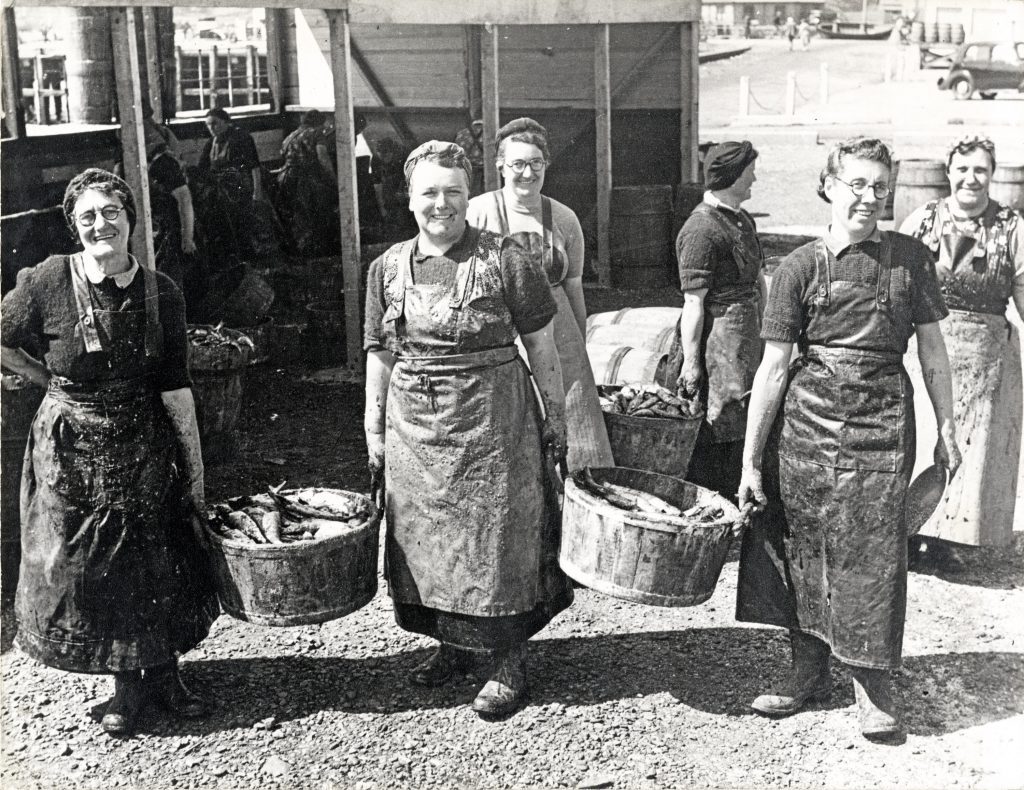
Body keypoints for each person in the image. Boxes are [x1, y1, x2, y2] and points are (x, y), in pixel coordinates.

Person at [735, 138, 961, 741]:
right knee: (801, 544)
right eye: (857, 184)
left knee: (873, 552)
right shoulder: (798, 268)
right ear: (829, 185)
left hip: (882, 426)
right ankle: (805, 670)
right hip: (805, 428)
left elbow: (933, 352)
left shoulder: (911, 260)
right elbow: (773, 367)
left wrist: (948, 425)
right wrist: (752, 461)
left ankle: (871, 685)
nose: (868, 197)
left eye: (880, 187)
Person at [0, 169, 218, 738]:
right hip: (70, 447)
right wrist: (45, 377)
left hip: (143, 437)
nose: (102, 225)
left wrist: (193, 468)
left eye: (112, 212)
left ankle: (166, 675)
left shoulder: (161, 292)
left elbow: (175, 384)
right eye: (88, 216)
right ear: (74, 225)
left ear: (130, 219)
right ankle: (126, 685)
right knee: (93, 567)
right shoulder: (48, 280)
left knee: (157, 555)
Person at [363, 141, 572, 718]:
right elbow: (379, 354)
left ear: (468, 195)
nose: (442, 204)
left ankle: (507, 661)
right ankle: (451, 647)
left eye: (454, 191)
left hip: (494, 422)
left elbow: (542, 348)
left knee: (497, 537)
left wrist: (555, 420)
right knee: (428, 538)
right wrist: (374, 432)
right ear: (409, 201)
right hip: (414, 427)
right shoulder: (387, 268)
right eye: (429, 192)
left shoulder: (506, 259)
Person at [899, 135, 1024, 563]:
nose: (971, 179)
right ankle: (911, 535)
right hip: (929, 351)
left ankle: (961, 544)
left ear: (991, 175)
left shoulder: (1013, 228)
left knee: (981, 450)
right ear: (948, 172)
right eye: (963, 169)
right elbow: (897, 285)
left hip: (990, 357)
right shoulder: (922, 220)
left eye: (981, 170)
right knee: (924, 441)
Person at [467, 117, 614, 473]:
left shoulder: (564, 218)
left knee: (575, 429)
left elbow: (574, 286)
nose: (527, 173)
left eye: (536, 163)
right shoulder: (478, 212)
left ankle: (577, 502)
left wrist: (578, 346)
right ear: (501, 166)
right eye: (517, 163)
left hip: (558, 333)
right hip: (502, 334)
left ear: (546, 164)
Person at [672, 140, 765, 502]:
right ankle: (712, 505)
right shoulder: (700, 230)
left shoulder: (741, 220)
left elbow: (756, 278)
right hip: (718, 342)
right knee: (719, 424)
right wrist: (693, 364)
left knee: (746, 416)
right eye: (749, 171)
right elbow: (693, 304)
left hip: (746, 334)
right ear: (732, 176)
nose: (755, 177)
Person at [197, 107, 263, 257]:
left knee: (242, 224)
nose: (211, 128)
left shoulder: (242, 138)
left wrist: (257, 193)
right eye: (208, 125)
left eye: (215, 123)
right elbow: (202, 168)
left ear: (226, 122)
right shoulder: (210, 142)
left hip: (239, 188)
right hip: (218, 190)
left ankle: (248, 257)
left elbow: (254, 166)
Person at [276, 109, 339, 256]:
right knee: (317, 216)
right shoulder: (316, 133)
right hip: (306, 180)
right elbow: (323, 157)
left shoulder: (290, 136)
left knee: (297, 218)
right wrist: (334, 180)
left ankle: (302, 252)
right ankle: (322, 252)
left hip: (286, 178)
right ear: (319, 123)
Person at [455, 118, 486, 197]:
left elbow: (456, 155)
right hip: (486, 171)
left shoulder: (462, 134)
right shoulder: (492, 133)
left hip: (468, 170)